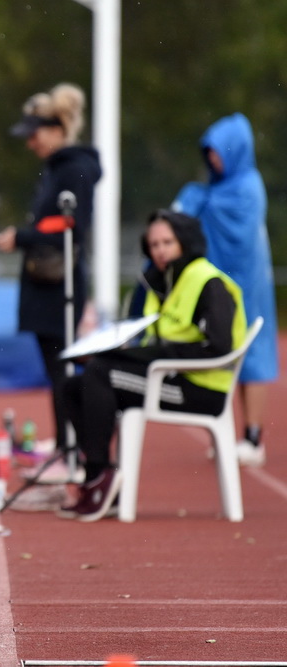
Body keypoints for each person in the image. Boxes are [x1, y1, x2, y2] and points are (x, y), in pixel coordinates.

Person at [60, 210, 246, 522]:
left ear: (185, 243)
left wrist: (151, 356)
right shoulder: (160, 282)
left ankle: (99, 479)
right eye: (154, 244)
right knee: (73, 385)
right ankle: (100, 477)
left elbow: (219, 347)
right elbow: (147, 338)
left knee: (99, 373)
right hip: (166, 379)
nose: (160, 250)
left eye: (167, 242)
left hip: (200, 389)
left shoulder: (208, 283)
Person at [0, 82, 102, 483]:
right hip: (47, 283)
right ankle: (64, 447)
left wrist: (22, 236)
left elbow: (71, 228)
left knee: (64, 371)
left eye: (35, 134)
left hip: (61, 286)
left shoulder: (74, 168)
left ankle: (72, 453)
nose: (30, 143)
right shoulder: (60, 168)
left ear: (57, 130)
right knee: (57, 370)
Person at [173, 113, 278, 467]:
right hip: (226, 285)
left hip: (249, 285)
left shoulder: (248, 186)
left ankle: (253, 436)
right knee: (227, 354)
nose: (213, 159)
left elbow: (237, 234)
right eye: (209, 152)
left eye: (217, 151)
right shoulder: (218, 188)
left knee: (254, 354)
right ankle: (229, 431)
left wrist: (198, 203)